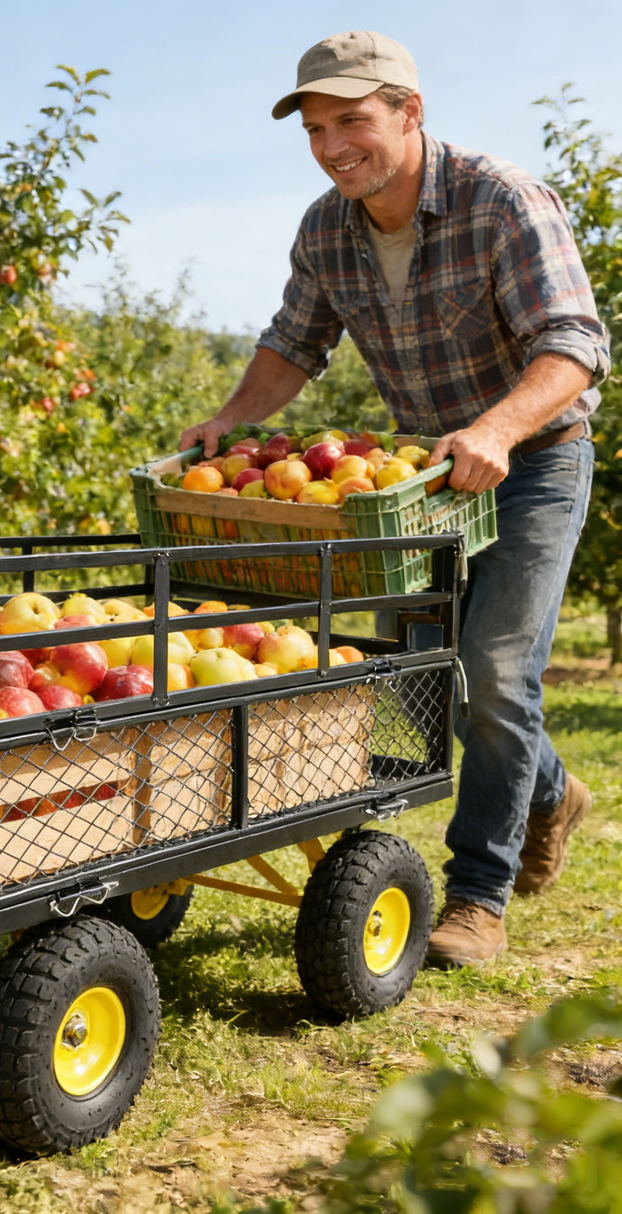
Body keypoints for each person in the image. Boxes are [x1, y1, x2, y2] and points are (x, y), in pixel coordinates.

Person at [179, 31, 608, 967]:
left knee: (494, 671)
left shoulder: (502, 199)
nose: (334, 145)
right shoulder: (326, 228)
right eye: (317, 127)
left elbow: (576, 343)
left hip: (533, 458)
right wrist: (230, 421)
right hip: (417, 486)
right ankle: (550, 790)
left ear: (409, 112)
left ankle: (478, 896)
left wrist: (497, 430)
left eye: (353, 121)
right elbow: (295, 341)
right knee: (428, 673)